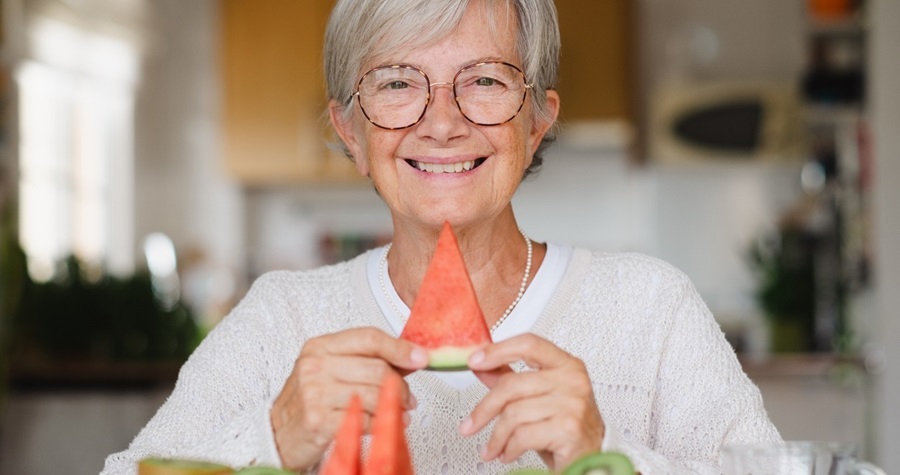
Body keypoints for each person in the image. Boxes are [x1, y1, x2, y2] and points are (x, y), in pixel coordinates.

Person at [102, 0, 781, 473]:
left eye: (484, 80)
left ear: (537, 122)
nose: (442, 122)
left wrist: (608, 453)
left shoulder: (649, 308)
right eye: (398, 83)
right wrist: (271, 438)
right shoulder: (281, 320)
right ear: (351, 132)